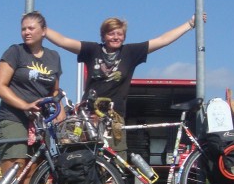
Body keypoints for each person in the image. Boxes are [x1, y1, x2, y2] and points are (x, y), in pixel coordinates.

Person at [45, 14, 205, 159]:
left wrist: (190, 24)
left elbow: (162, 40)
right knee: (87, 159)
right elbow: (64, 41)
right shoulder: (92, 50)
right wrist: (42, 29)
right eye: (111, 33)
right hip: (89, 116)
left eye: (119, 34)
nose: (115, 37)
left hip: (114, 117)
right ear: (103, 35)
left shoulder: (130, 52)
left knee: (117, 160)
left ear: (124, 36)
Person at [0, 11, 63, 184]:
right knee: (13, 174)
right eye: (24, 28)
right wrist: (24, 105)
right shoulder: (15, 52)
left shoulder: (53, 57)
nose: (27, 32)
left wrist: (57, 107)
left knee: (28, 180)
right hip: (13, 117)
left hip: (39, 122)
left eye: (31, 28)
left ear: (44, 31)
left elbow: (54, 90)